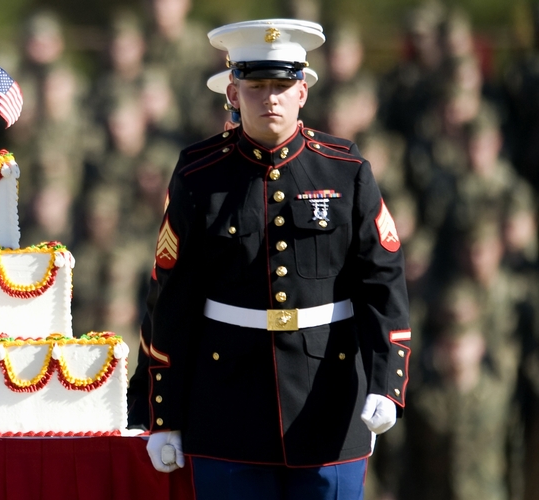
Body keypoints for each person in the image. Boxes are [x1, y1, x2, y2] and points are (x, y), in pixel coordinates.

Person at [141, 20, 411, 499]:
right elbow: (171, 299)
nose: (271, 98)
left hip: (329, 402)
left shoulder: (346, 169)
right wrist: (164, 415)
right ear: (232, 91)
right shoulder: (200, 174)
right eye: (256, 85)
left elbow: (382, 282)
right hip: (228, 406)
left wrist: (387, 382)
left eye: (283, 85)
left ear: (303, 92)